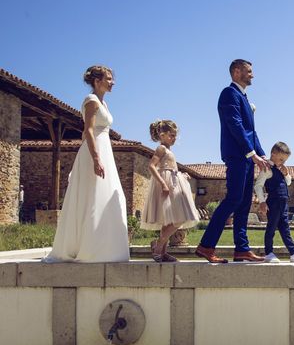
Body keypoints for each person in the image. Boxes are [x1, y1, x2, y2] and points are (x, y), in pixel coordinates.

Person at [43, 66, 129, 263]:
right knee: (93, 196)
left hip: (104, 148)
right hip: (95, 150)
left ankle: (104, 248)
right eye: (108, 78)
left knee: (105, 196)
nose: (112, 82)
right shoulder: (91, 101)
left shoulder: (103, 103)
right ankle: (89, 248)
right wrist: (96, 158)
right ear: (97, 81)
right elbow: (88, 131)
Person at [196, 59, 269, 263]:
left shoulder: (244, 97)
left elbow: (251, 131)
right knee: (233, 199)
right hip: (237, 156)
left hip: (247, 157)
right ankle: (206, 246)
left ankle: (242, 249)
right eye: (249, 71)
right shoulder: (229, 93)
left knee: (245, 203)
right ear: (236, 72)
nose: (252, 75)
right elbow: (234, 124)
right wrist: (249, 152)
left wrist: (261, 154)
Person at [141, 120, 200, 262]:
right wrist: (163, 184)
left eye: (175, 136)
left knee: (169, 221)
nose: (174, 139)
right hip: (167, 184)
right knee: (180, 218)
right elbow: (151, 166)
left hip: (174, 182)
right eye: (171, 135)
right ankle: (159, 244)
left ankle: (162, 251)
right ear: (162, 135)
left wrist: (181, 174)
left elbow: (170, 167)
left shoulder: (168, 150)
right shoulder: (161, 149)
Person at [254, 142, 294, 263]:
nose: (283, 162)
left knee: (285, 228)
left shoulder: (280, 170)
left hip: (283, 203)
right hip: (273, 203)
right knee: (271, 228)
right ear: (273, 155)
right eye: (281, 159)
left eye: (285, 160)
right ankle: (269, 252)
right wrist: (262, 202)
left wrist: (286, 173)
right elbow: (258, 186)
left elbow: (288, 183)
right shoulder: (267, 169)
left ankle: (293, 253)